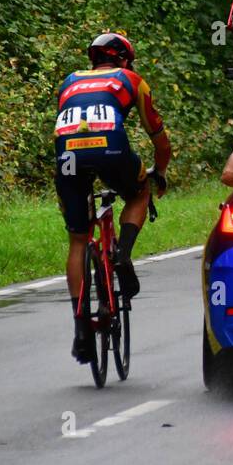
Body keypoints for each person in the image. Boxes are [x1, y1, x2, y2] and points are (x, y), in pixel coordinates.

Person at [55, 32, 170, 363]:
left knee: (78, 241)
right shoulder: (130, 79)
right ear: (124, 60)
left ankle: (80, 329)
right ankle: (122, 256)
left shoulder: (69, 82)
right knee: (139, 191)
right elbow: (159, 140)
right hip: (112, 151)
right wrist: (158, 172)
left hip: (68, 157)